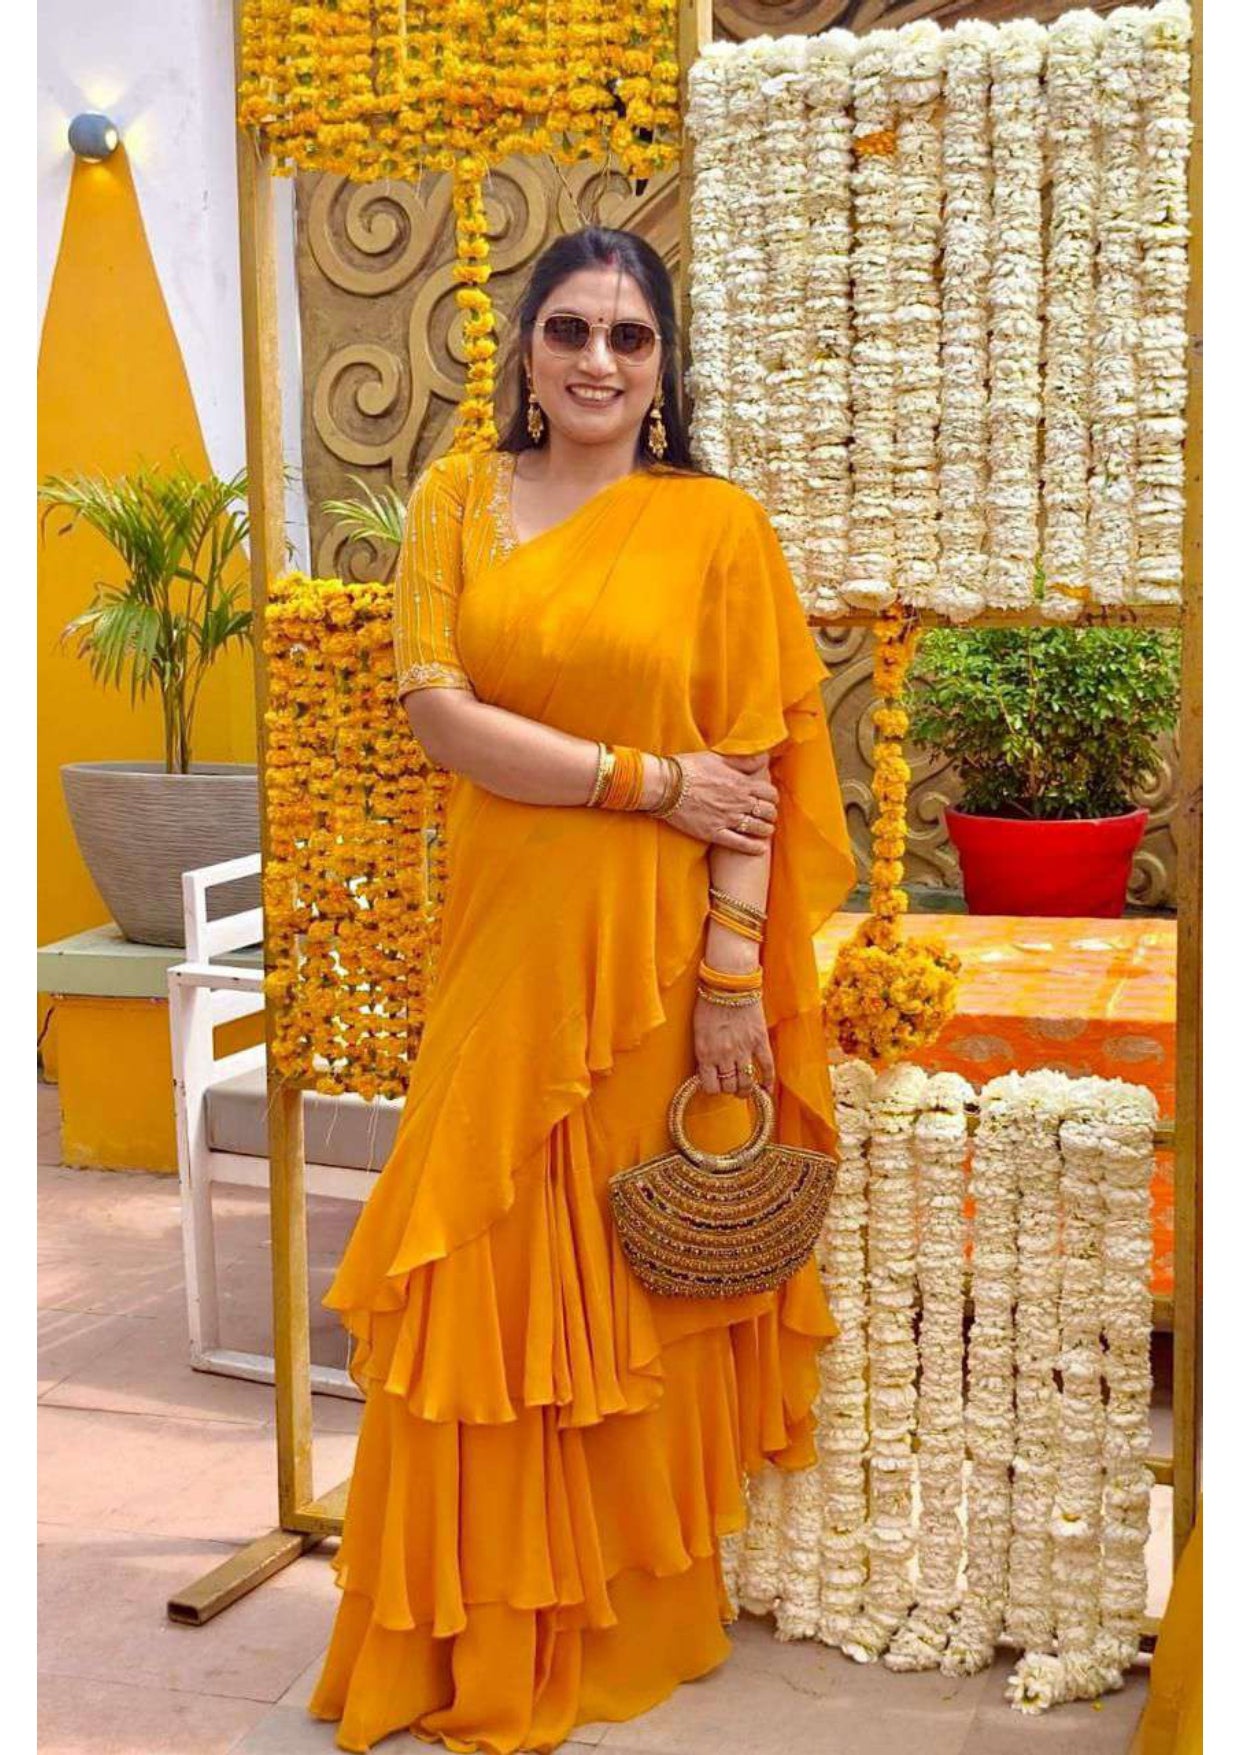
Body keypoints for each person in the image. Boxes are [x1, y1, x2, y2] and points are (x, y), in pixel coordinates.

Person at [308, 225, 856, 1753]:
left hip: (652, 967)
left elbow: (749, 767)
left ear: (665, 364)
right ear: (526, 351)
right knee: (473, 1261)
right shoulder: (457, 501)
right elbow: (440, 714)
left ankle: (616, 1613)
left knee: (621, 1290)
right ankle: (470, 1640)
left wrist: (733, 976)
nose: (599, 361)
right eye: (570, 331)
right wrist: (645, 780)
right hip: (504, 941)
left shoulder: (716, 528)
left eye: (630, 335)